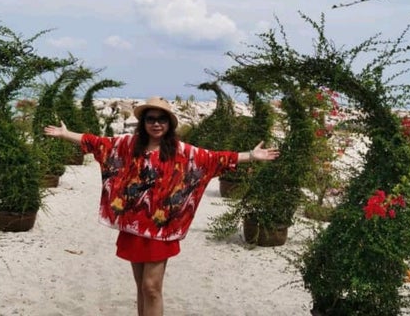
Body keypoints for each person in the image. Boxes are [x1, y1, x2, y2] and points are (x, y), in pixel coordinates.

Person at [44, 96, 280, 316]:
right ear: (143, 122)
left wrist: (251, 156)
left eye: (162, 119)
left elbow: (214, 158)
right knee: (141, 286)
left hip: (161, 228)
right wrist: (66, 134)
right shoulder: (128, 145)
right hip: (134, 226)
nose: (156, 124)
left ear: (169, 123)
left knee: (152, 287)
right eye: (151, 119)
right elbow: (98, 143)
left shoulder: (181, 151)